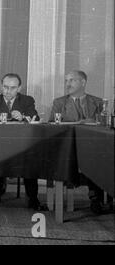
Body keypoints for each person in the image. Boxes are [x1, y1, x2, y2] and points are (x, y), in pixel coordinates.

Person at [0, 73, 47, 211]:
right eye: (5, 87)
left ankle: (32, 198)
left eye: (12, 88)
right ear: (1, 86)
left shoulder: (27, 100)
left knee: (30, 160)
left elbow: (35, 118)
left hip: (21, 145)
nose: (8, 91)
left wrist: (23, 117)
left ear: (19, 88)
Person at [49, 70, 105, 214]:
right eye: (66, 81)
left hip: (92, 148)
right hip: (68, 148)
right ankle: (95, 197)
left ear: (83, 82)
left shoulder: (98, 102)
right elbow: (51, 126)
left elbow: (105, 126)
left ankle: (96, 199)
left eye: (72, 80)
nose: (68, 84)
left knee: (99, 158)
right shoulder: (59, 102)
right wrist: (79, 123)